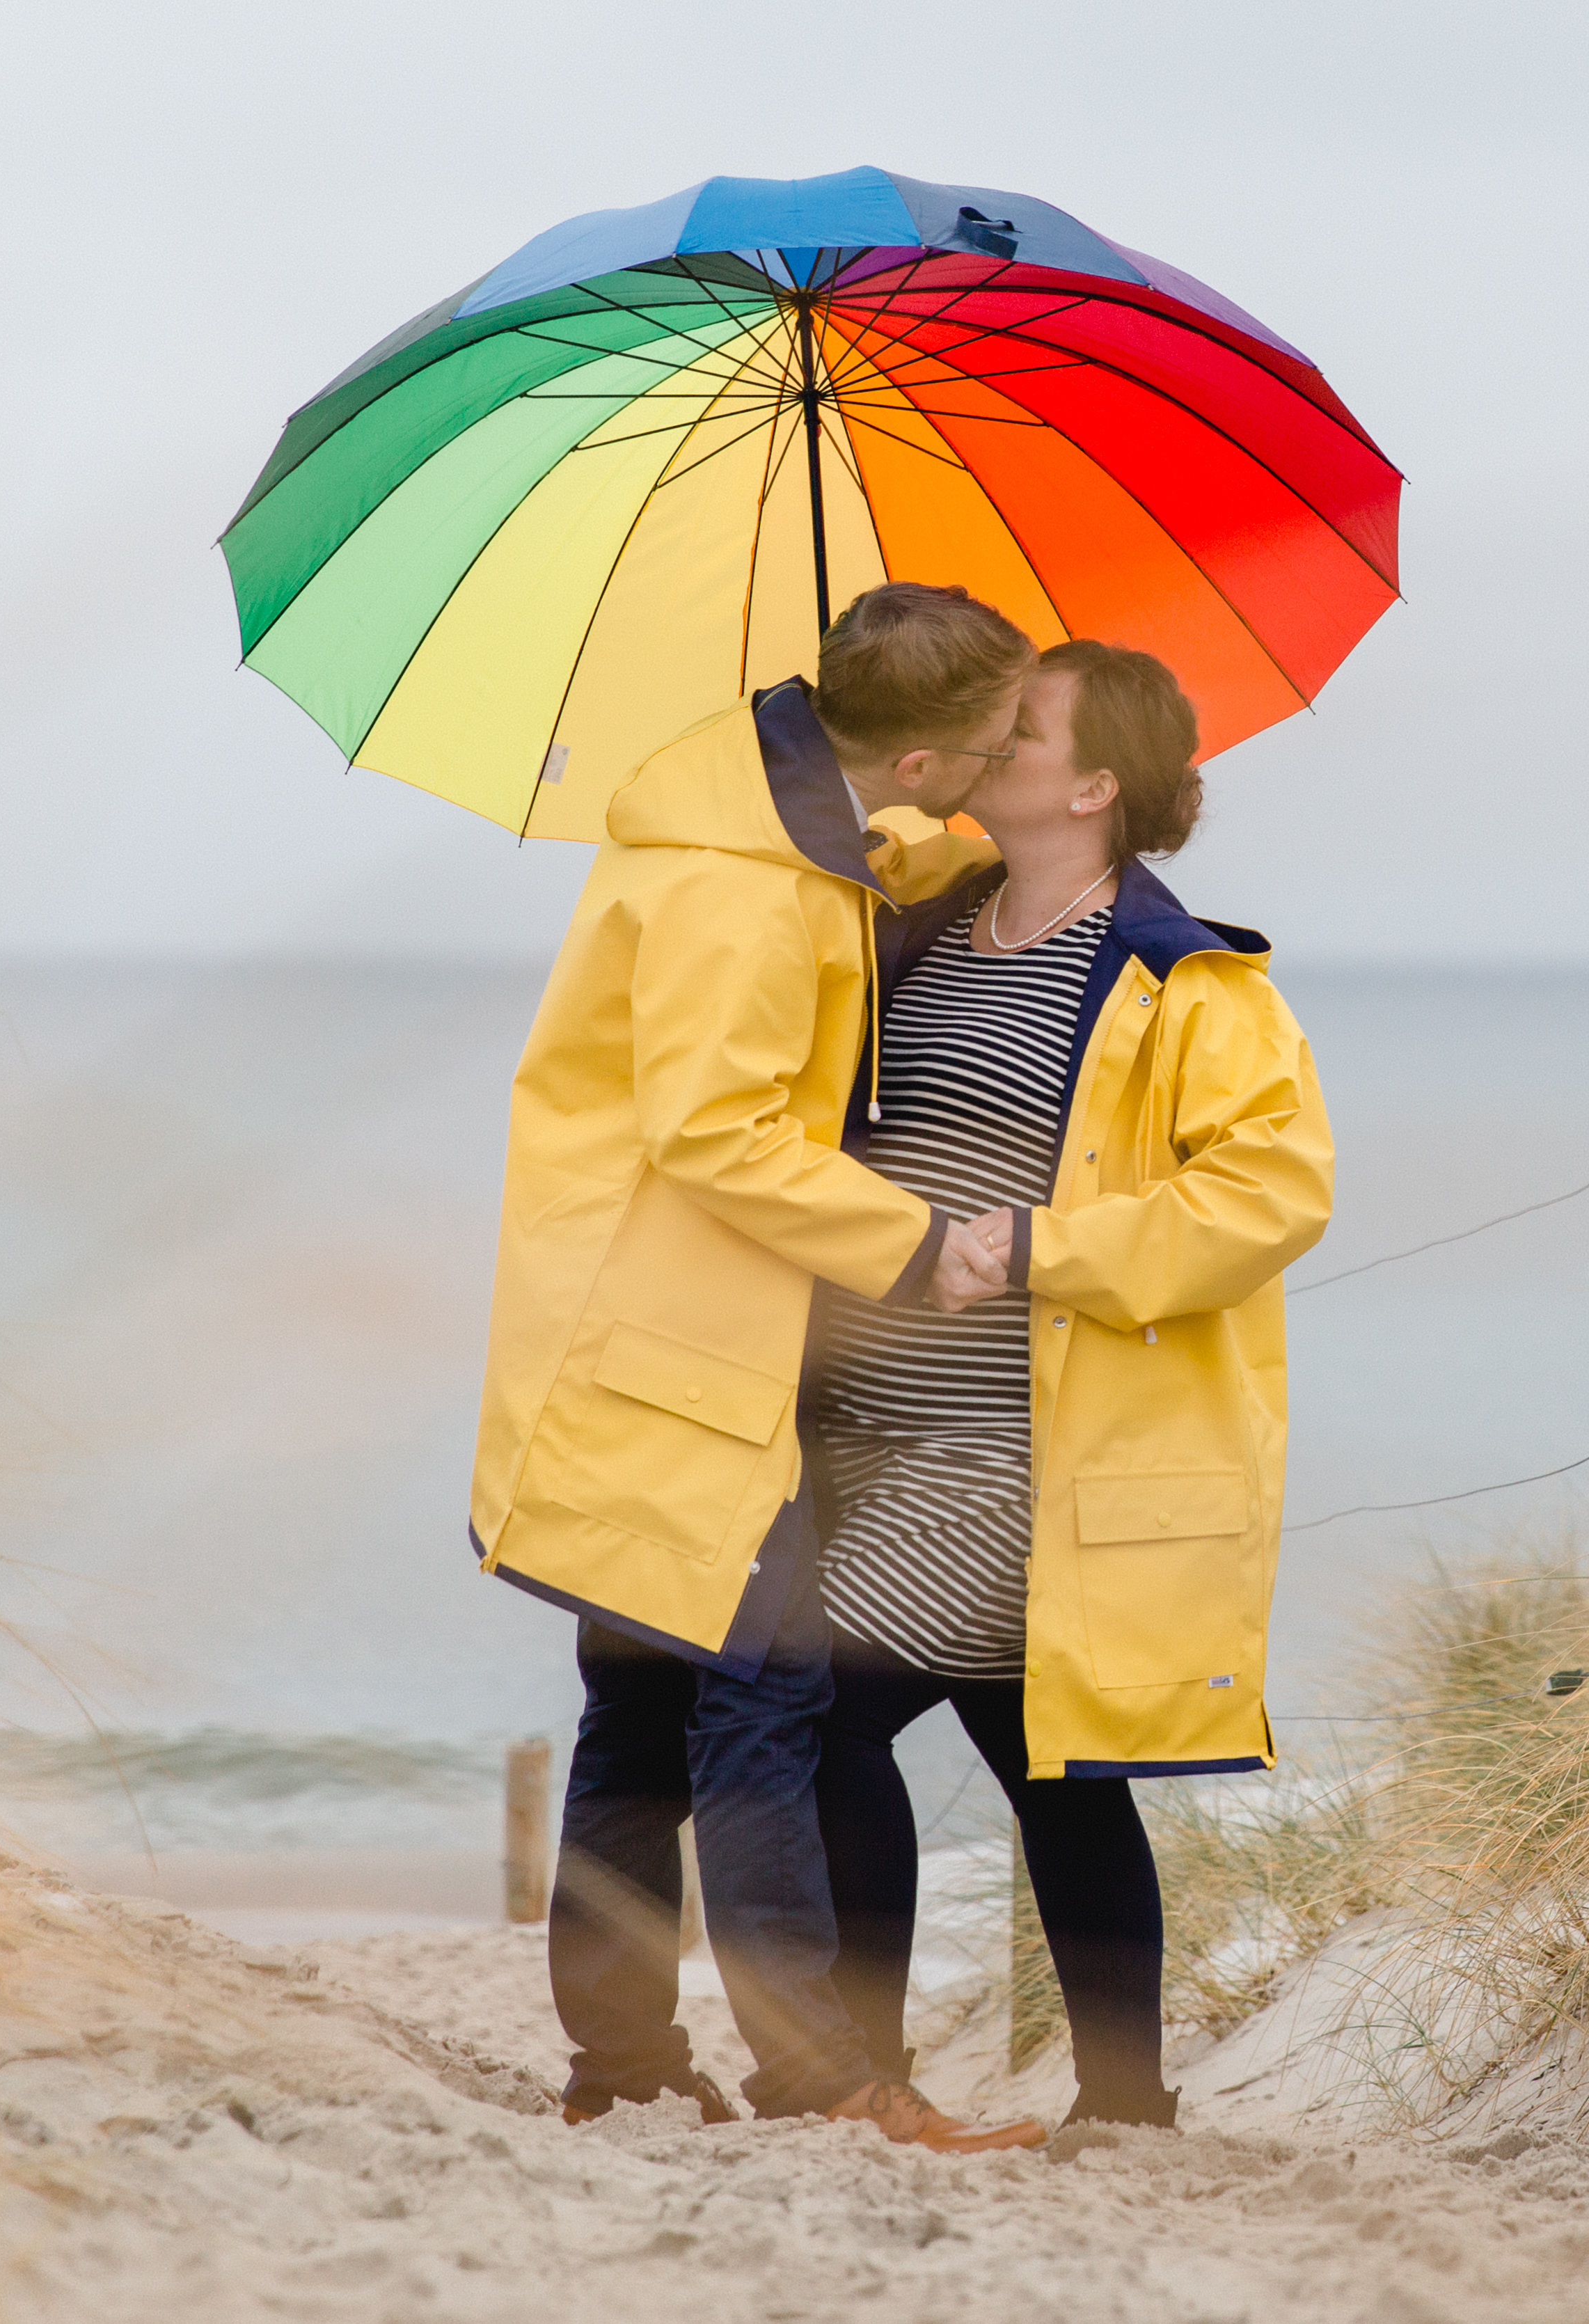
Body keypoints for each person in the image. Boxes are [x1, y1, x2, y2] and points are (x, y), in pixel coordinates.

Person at [470, 582, 1045, 2151]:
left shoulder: (758, 816)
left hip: (634, 1335)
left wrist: (992, 854)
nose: (1009, 761)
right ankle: (815, 2073)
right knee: (765, 1690)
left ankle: (624, 2059)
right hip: (670, 1345)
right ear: (921, 752)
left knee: (642, 1713)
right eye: (994, 743)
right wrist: (923, 1243)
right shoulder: (740, 889)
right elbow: (712, 1127)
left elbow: (854, 867)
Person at [805, 638, 1335, 2130]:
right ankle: (1122, 2101)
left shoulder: (1191, 985)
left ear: (1095, 784)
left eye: (1016, 728)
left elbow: (1269, 1194)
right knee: (1047, 1761)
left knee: (819, 1706)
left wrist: (1044, 1246)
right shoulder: (920, 910)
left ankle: (867, 2079)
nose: (985, 742)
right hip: (867, 1424)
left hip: (1023, 1445)